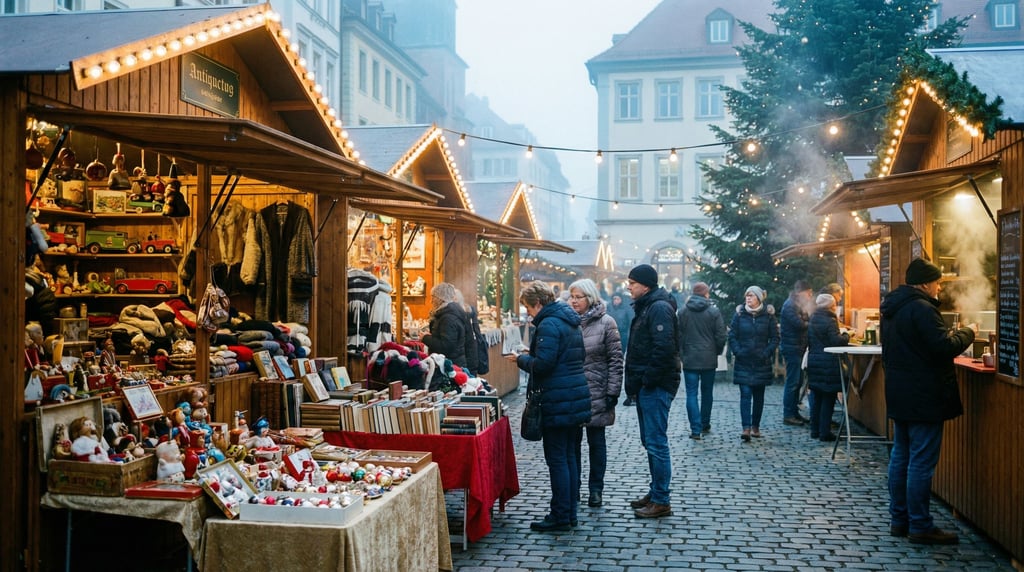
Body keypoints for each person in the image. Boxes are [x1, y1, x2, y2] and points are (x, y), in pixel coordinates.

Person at [881, 258, 975, 545]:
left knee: (901, 456)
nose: (939, 289)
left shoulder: (892, 308)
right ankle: (920, 525)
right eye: (936, 283)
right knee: (920, 462)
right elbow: (942, 348)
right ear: (925, 283)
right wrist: (968, 332)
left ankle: (900, 520)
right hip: (924, 396)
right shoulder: (922, 308)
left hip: (900, 394)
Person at [509, 281, 591, 532]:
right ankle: (569, 513)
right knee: (568, 456)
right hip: (573, 395)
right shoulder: (569, 321)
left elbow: (544, 364)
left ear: (538, 303)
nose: (528, 314)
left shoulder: (549, 324)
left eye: (528, 308)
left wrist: (521, 359)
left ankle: (561, 516)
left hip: (558, 398)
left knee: (558, 459)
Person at [623, 264, 680, 518]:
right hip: (649, 384)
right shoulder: (649, 305)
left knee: (656, 443)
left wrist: (647, 380)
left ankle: (661, 499)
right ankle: (656, 491)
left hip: (656, 385)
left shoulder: (657, 307)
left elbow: (663, 349)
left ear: (645, 285)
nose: (628, 286)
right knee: (650, 442)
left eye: (632, 283)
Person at [566, 278, 623, 508]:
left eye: (578, 297)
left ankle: (596, 489)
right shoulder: (567, 322)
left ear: (589, 298)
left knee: (596, 443)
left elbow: (616, 360)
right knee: (573, 443)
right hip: (573, 391)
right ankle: (575, 487)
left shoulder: (607, 323)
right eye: (571, 297)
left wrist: (613, 391)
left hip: (598, 391)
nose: (573, 301)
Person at [728, 285, 779, 442]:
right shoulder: (739, 315)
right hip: (744, 361)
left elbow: (775, 338)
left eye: (751, 296)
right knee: (745, 395)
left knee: (758, 397)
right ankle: (746, 428)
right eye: (747, 296)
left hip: (761, 362)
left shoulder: (768, 316)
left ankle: (756, 426)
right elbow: (732, 336)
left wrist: (766, 353)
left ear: (759, 298)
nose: (748, 299)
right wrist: (738, 351)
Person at [677, 281, 727, 439]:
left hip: (690, 359)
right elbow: (721, 336)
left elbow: (677, 335)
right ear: (706, 294)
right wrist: (716, 351)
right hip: (708, 358)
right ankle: (705, 423)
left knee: (691, 394)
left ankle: (695, 429)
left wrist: (681, 354)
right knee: (707, 393)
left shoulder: (684, 311)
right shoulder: (713, 312)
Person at [806, 293, 850, 441]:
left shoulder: (813, 317)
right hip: (828, 362)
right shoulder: (830, 319)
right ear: (831, 306)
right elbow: (835, 341)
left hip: (814, 360)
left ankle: (814, 430)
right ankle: (824, 432)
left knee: (817, 397)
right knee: (828, 398)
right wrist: (846, 336)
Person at [421, 282, 478, 374]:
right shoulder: (448, 314)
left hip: (450, 366)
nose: (431, 301)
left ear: (441, 299)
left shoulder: (448, 318)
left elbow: (446, 346)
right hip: (453, 363)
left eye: (433, 297)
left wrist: (425, 338)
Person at [780, 280, 814, 426]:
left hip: (797, 347)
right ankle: (788, 414)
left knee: (797, 381)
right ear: (800, 292)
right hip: (792, 348)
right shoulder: (790, 306)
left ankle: (793, 412)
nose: (810, 296)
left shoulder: (795, 305)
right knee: (793, 382)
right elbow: (799, 324)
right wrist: (811, 323)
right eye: (808, 293)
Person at [607, 290, 634, 405]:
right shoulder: (609, 308)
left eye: (618, 299)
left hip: (622, 334)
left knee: (620, 354)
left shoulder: (626, 309)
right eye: (614, 299)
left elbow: (630, 321)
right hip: (612, 334)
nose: (616, 301)